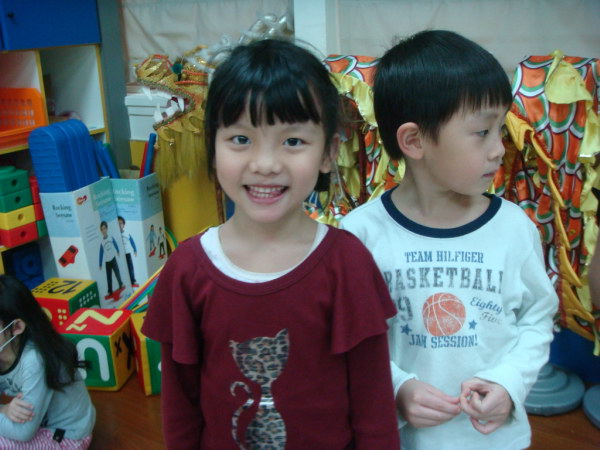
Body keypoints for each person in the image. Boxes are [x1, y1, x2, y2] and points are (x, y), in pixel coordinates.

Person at [142, 38, 400, 449]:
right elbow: (180, 405)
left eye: (292, 141)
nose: (265, 164)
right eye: (241, 139)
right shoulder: (187, 269)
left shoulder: (347, 263)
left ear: (328, 153)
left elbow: (374, 405)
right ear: (212, 146)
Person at [340, 30, 558, 449]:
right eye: (482, 132)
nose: (499, 149)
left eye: (500, 129)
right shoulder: (361, 235)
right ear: (414, 140)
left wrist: (509, 382)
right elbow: (353, 340)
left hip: (494, 438)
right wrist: (396, 387)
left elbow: (536, 318)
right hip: (401, 438)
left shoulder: (514, 229)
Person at [0, 275, 95, 448]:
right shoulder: (4, 349)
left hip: (66, 437)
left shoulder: (35, 359)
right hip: (35, 426)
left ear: (17, 327)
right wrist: (3, 409)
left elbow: (23, 432)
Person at [98, 220, 124, 300]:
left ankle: (120, 284)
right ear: (101, 231)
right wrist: (100, 264)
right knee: (108, 277)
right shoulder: (102, 242)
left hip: (113, 258)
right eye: (102, 229)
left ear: (107, 229)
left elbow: (115, 243)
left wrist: (118, 250)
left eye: (104, 228)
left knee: (117, 272)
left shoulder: (110, 237)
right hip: (107, 262)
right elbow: (101, 253)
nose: (103, 230)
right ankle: (110, 291)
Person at [118, 216, 138, 288]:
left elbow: (132, 242)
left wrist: (135, 250)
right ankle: (124, 282)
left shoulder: (127, 233)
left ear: (123, 224)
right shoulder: (116, 235)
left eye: (121, 223)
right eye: (118, 223)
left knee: (130, 268)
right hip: (121, 255)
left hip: (128, 254)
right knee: (122, 269)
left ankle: (133, 280)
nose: (119, 225)